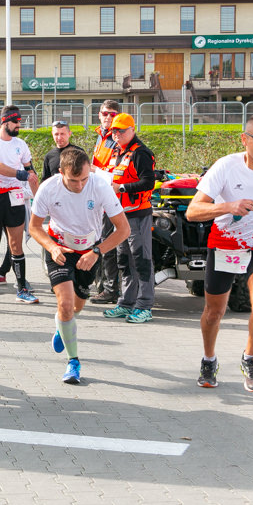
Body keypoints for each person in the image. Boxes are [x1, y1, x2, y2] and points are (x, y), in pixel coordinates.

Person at [185, 114, 253, 392]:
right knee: (214, 312)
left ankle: (250, 357)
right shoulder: (225, 168)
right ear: (245, 140)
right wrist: (228, 207)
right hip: (226, 242)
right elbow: (193, 212)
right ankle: (209, 359)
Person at [30, 148, 129, 384]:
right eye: (73, 180)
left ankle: (62, 327)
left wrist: (97, 252)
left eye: (84, 178)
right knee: (64, 305)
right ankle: (73, 362)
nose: (80, 185)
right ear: (60, 172)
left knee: (76, 307)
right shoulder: (49, 188)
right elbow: (34, 227)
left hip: (90, 250)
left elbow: (124, 229)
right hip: (60, 249)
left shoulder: (100, 185)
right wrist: (52, 247)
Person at [100, 113, 157, 324]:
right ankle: (126, 302)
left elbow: (148, 182)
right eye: (114, 131)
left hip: (138, 213)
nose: (116, 134)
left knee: (141, 260)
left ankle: (144, 305)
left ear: (132, 130)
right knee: (124, 260)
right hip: (120, 214)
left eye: (121, 131)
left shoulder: (141, 153)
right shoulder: (119, 151)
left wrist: (121, 187)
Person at [0, 105, 39, 303]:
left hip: (15, 196)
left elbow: (30, 172)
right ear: (5, 122)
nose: (18, 126)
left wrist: (37, 197)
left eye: (19, 122)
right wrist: (21, 174)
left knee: (16, 244)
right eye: (16, 122)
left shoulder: (21, 144)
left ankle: (22, 287)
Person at [89, 100, 122, 304]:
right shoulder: (101, 136)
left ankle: (111, 289)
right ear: (99, 115)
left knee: (109, 244)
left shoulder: (117, 139)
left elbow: (116, 174)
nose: (108, 117)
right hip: (100, 195)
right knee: (99, 241)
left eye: (112, 114)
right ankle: (102, 285)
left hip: (114, 197)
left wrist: (95, 171)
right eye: (105, 113)